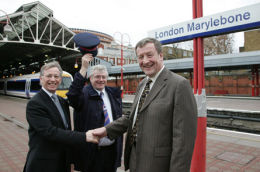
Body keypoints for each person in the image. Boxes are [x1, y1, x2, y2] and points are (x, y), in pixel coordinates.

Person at [93, 37, 198, 172]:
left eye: (149, 55)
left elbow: (183, 141)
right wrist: (107, 130)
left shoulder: (179, 85)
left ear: (161, 56)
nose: (145, 61)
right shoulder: (143, 84)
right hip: (135, 160)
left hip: (158, 165)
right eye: (140, 57)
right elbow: (134, 116)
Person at [23, 61, 98, 172]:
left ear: (60, 79)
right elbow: (50, 132)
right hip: (43, 164)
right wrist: (84, 136)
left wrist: (71, 160)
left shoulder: (62, 101)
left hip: (63, 162)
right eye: (49, 76)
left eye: (56, 76)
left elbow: (66, 130)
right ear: (41, 79)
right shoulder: (35, 104)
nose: (53, 79)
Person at [66, 54, 123, 172]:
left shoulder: (113, 94)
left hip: (112, 150)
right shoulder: (82, 95)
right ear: (90, 78)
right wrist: (83, 68)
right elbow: (72, 95)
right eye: (97, 77)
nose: (101, 80)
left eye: (103, 77)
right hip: (91, 152)